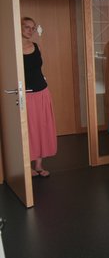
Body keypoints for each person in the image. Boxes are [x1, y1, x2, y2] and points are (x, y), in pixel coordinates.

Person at [22, 17, 57, 178]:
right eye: (27, 27)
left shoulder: (35, 46)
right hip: (26, 95)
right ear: (19, 27)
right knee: (28, 129)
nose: (30, 30)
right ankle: (26, 165)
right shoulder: (13, 48)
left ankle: (39, 165)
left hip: (42, 92)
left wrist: (44, 80)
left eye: (33, 28)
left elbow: (38, 68)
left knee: (42, 127)